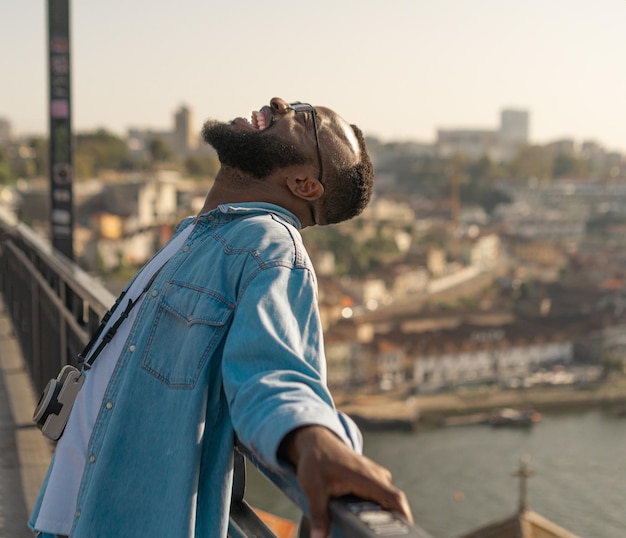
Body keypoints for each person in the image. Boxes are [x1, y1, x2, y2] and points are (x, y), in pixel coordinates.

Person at [29, 97, 413, 538]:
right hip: (71, 515)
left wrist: (313, 437)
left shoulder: (268, 248)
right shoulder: (199, 233)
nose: (280, 103)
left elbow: (273, 371)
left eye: (303, 119)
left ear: (304, 183)